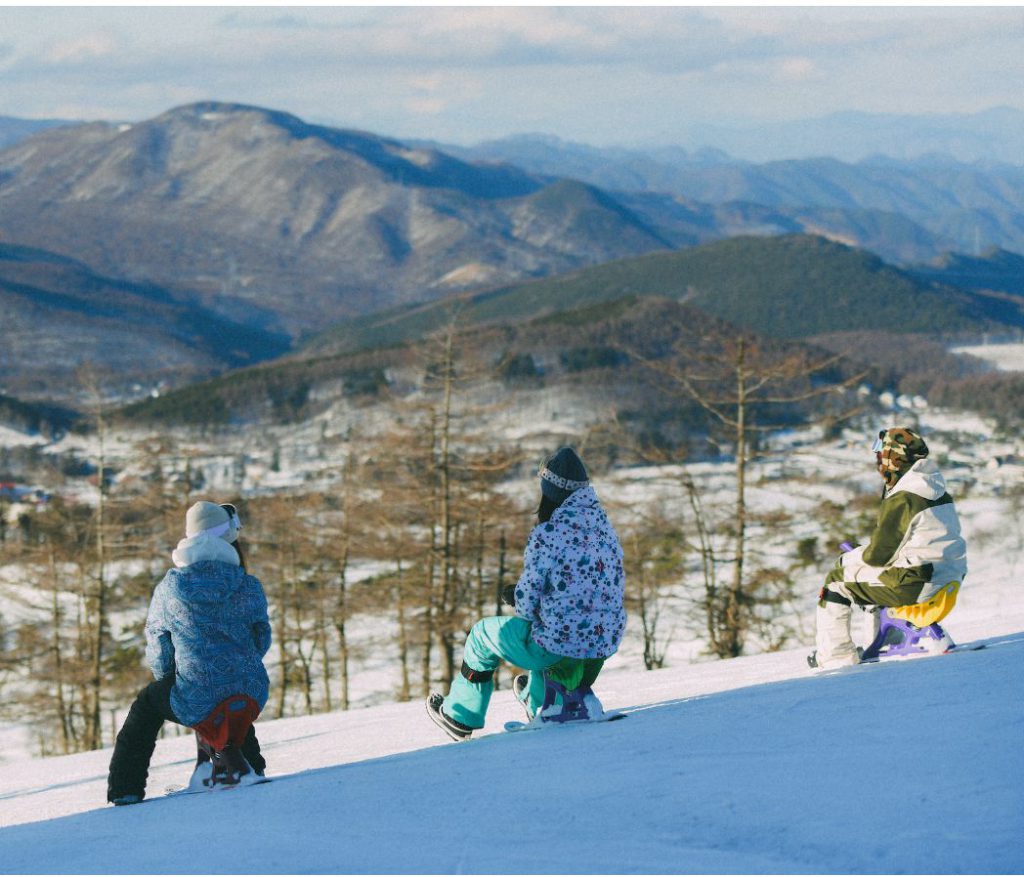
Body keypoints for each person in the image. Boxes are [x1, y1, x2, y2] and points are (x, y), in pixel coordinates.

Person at [426, 447, 626, 740]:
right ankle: (540, 700)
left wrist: (515, 596)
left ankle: (459, 715)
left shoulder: (549, 534)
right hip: (601, 645)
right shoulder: (605, 530)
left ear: (549, 493)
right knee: (553, 628)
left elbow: (527, 602)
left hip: (560, 646)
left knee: (483, 635)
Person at [107, 501, 272, 805]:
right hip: (252, 689)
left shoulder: (172, 587)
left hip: (199, 692)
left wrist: (171, 676)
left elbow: (158, 646)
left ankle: (125, 789)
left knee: (148, 706)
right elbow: (262, 636)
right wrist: (238, 663)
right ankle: (250, 767)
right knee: (224, 696)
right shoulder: (248, 584)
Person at [811, 427, 967, 670]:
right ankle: (883, 641)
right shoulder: (938, 492)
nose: (877, 463)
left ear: (892, 460)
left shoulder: (904, 497)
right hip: (948, 579)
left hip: (917, 583)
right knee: (875, 577)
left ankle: (834, 658)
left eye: (879, 456)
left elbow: (880, 555)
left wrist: (848, 559)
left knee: (836, 581)